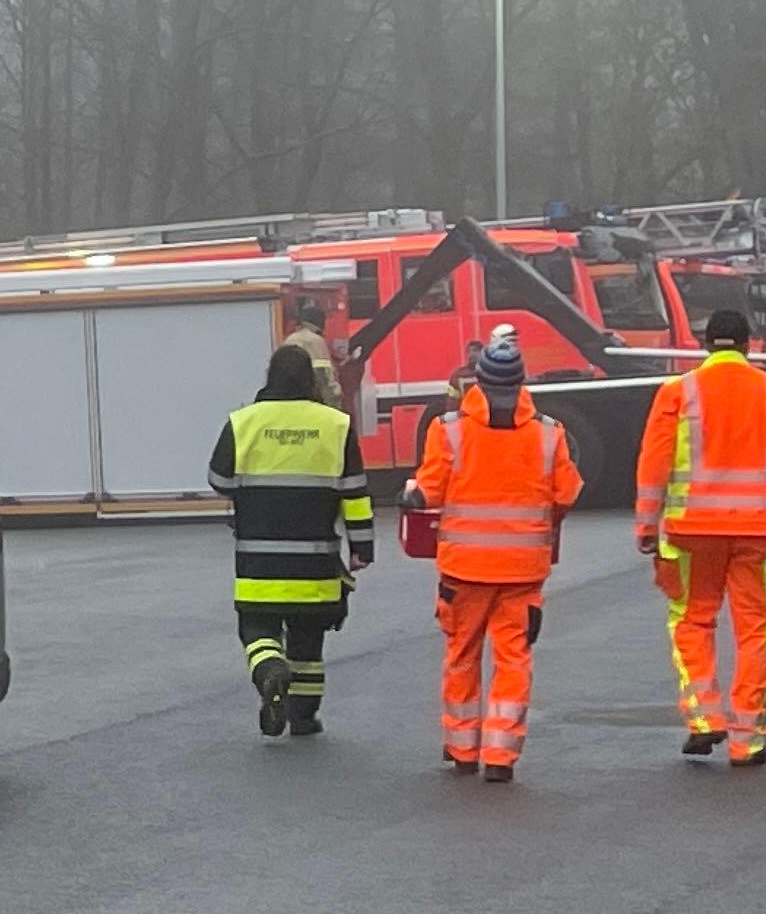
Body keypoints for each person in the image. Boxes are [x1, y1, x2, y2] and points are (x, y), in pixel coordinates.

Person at [407, 324, 579, 781]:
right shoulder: (549, 434)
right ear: (522, 383)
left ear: (478, 382)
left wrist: (411, 494)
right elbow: (566, 494)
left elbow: (427, 492)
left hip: (463, 571)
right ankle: (501, 756)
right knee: (513, 660)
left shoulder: (448, 431)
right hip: (523, 571)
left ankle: (463, 749)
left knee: (462, 656)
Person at [635, 303, 766, 764]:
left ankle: (703, 717)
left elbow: (654, 461)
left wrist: (646, 522)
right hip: (762, 532)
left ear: (704, 344)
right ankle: (747, 741)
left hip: (692, 532)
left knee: (691, 620)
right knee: (756, 631)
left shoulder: (678, 391)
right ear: (749, 344)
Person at [210, 340, 374, 738]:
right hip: (315, 564)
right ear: (311, 380)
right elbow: (355, 494)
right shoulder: (336, 426)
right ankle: (303, 718)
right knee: (308, 642)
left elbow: (219, 479)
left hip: (259, 562)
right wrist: (362, 547)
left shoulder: (243, 422)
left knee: (257, 628)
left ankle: (269, 668)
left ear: (269, 377)